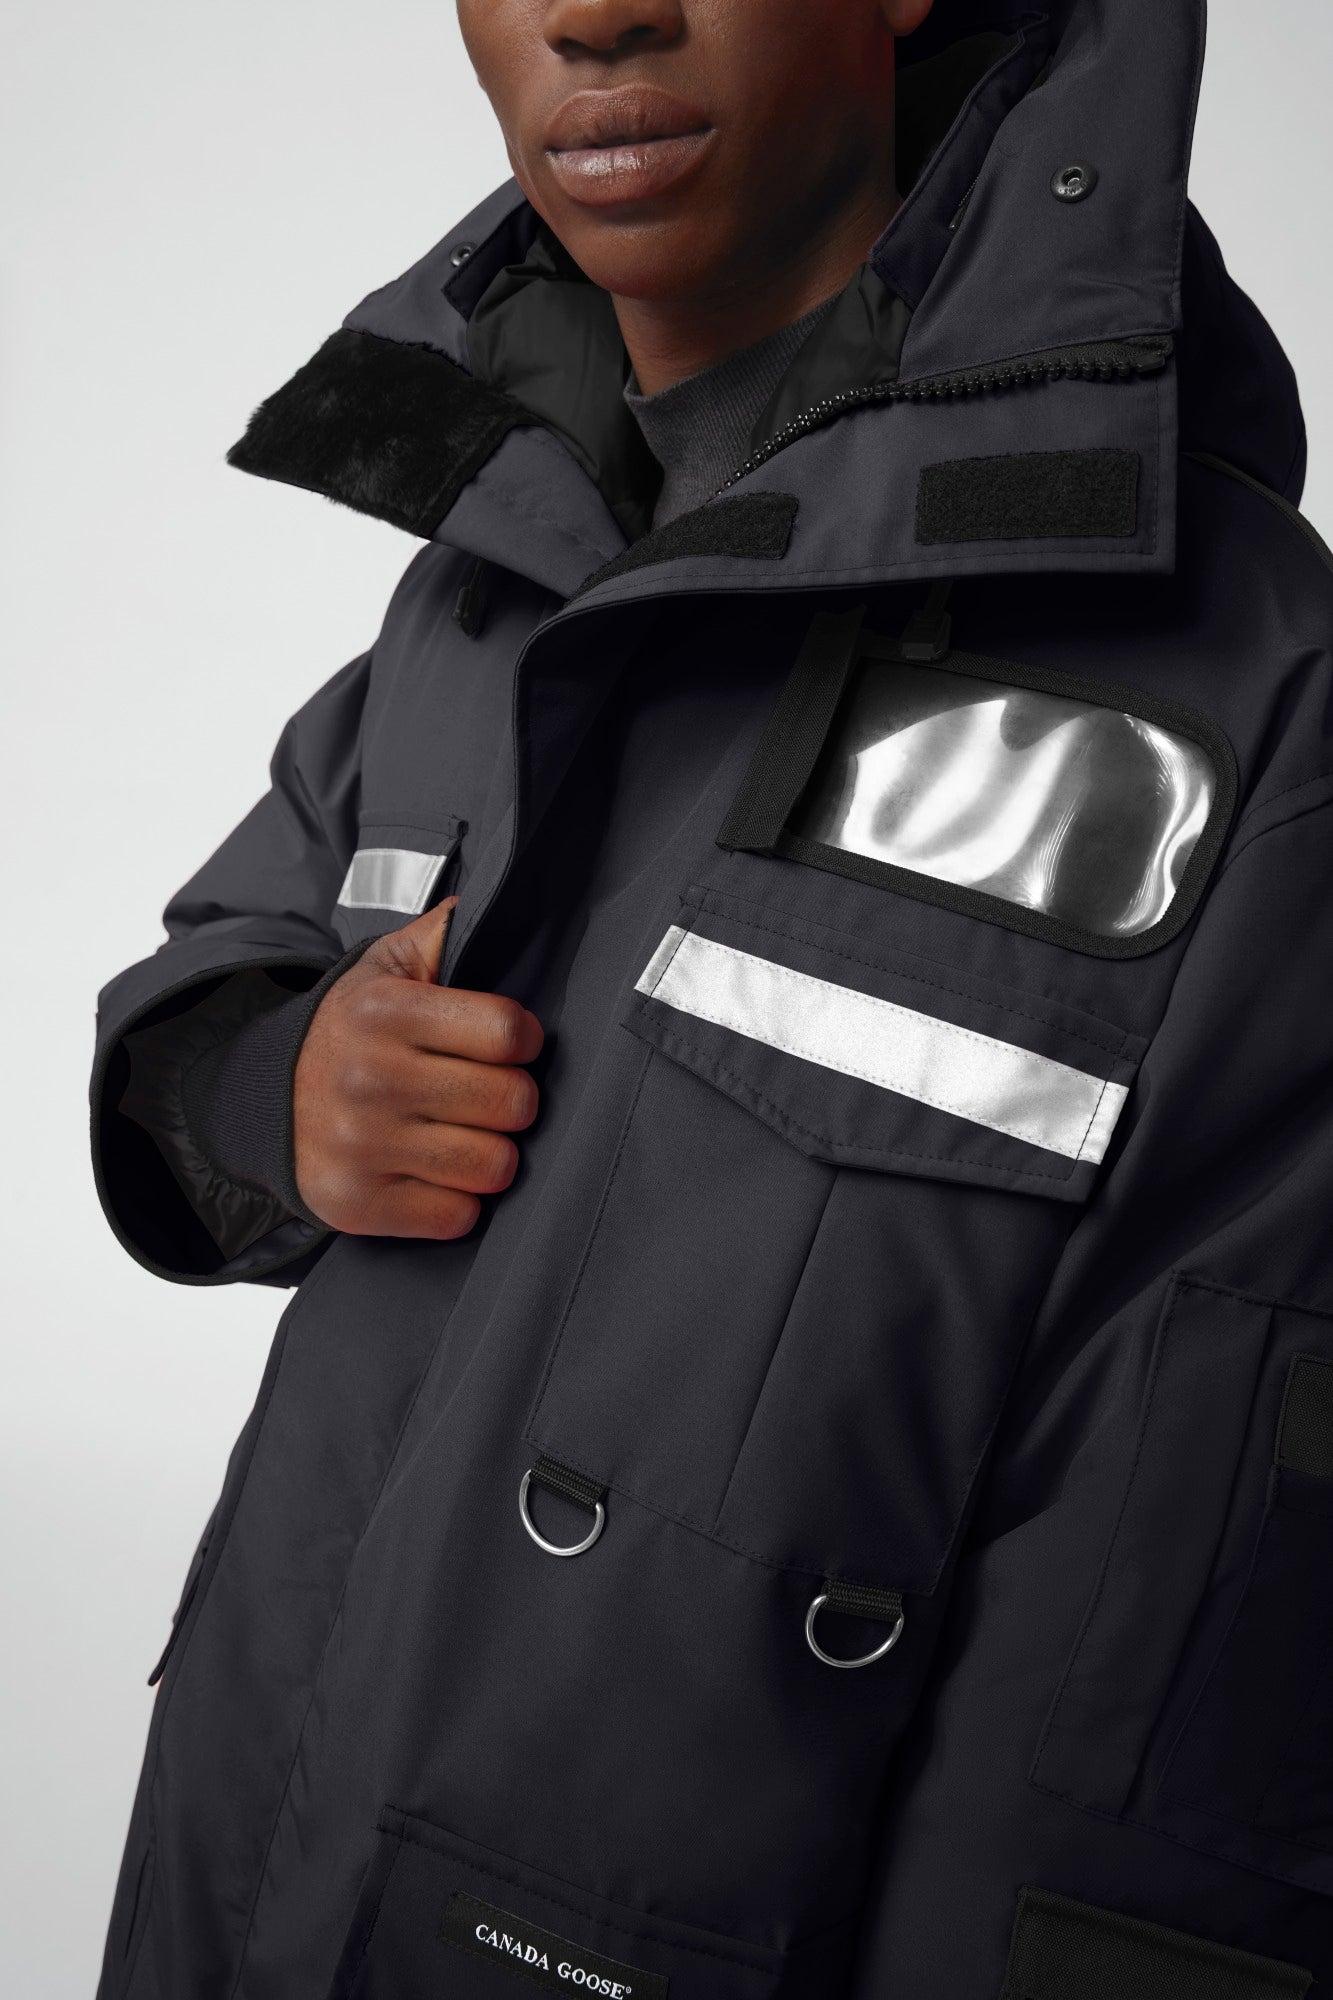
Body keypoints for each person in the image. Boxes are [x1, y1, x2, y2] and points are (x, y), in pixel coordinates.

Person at [91, 0, 1333, 1994]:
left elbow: (1154, 1743)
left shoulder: (1251, 704)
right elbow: (222, 960)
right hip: (226, 1893)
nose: (592, 11)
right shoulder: (491, 580)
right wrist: (274, 1090)